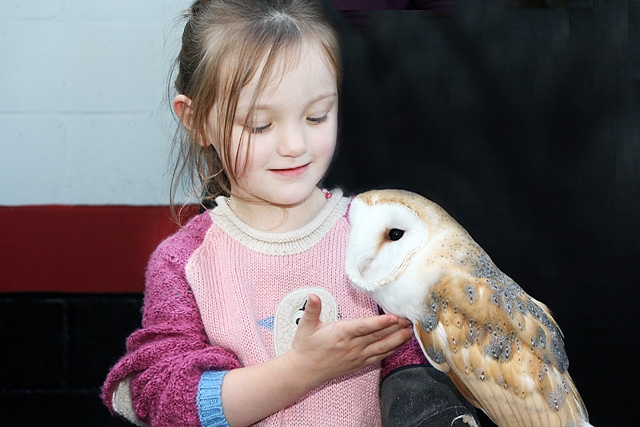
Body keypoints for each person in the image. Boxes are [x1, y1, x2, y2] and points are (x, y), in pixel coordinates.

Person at [102, 1, 479, 426]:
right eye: (260, 125)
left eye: (317, 116)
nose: (295, 144)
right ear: (197, 121)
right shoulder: (183, 263)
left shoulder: (379, 233)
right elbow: (165, 398)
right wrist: (302, 370)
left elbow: (418, 358)